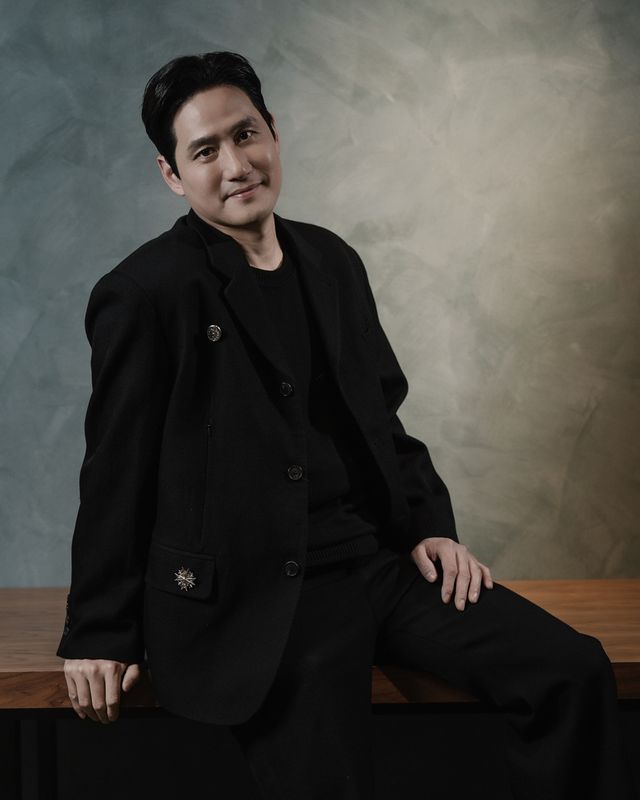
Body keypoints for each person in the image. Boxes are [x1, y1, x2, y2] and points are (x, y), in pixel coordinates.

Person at [56, 51, 635, 799]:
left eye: (246, 134)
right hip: (260, 596)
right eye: (205, 151)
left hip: (378, 565)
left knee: (572, 671)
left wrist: (430, 525)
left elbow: (383, 417)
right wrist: (99, 631)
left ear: (274, 132)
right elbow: (115, 472)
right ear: (171, 174)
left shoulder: (332, 260)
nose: (236, 165)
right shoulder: (144, 293)